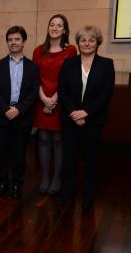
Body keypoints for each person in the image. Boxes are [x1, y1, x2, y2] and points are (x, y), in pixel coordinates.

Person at [57, 25, 115, 213]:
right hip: (70, 119)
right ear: (78, 42)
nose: (87, 43)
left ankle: (88, 196)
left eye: (91, 40)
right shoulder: (68, 63)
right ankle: (68, 193)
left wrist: (86, 113)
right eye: (83, 40)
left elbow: (106, 94)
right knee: (69, 159)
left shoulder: (107, 64)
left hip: (93, 121)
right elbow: (62, 90)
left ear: (97, 42)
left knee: (90, 160)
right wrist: (74, 112)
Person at [0, 26, 39, 198]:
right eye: (10, 40)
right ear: (7, 42)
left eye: (17, 39)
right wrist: (5, 109)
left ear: (23, 41)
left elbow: (33, 92)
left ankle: (17, 183)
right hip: (3, 116)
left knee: (19, 153)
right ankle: (2, 182)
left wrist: (18, 109)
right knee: (2, 153)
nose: (13, 42)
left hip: (22, 116)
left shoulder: (33, 67)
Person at [32, 14, 77, 195]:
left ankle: (57, 177)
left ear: (65, 30)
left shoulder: (71, 50)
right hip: (41, 98)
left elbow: (69, 78)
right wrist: (44, 98)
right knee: (42, 138)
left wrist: (54, 100)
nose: (55, 28)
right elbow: (34, 77)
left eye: (59, 25)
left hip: (61, 100)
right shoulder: (38, 51)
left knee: (58, 140)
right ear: (48, 27)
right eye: (52, 24)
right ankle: (45, 176)